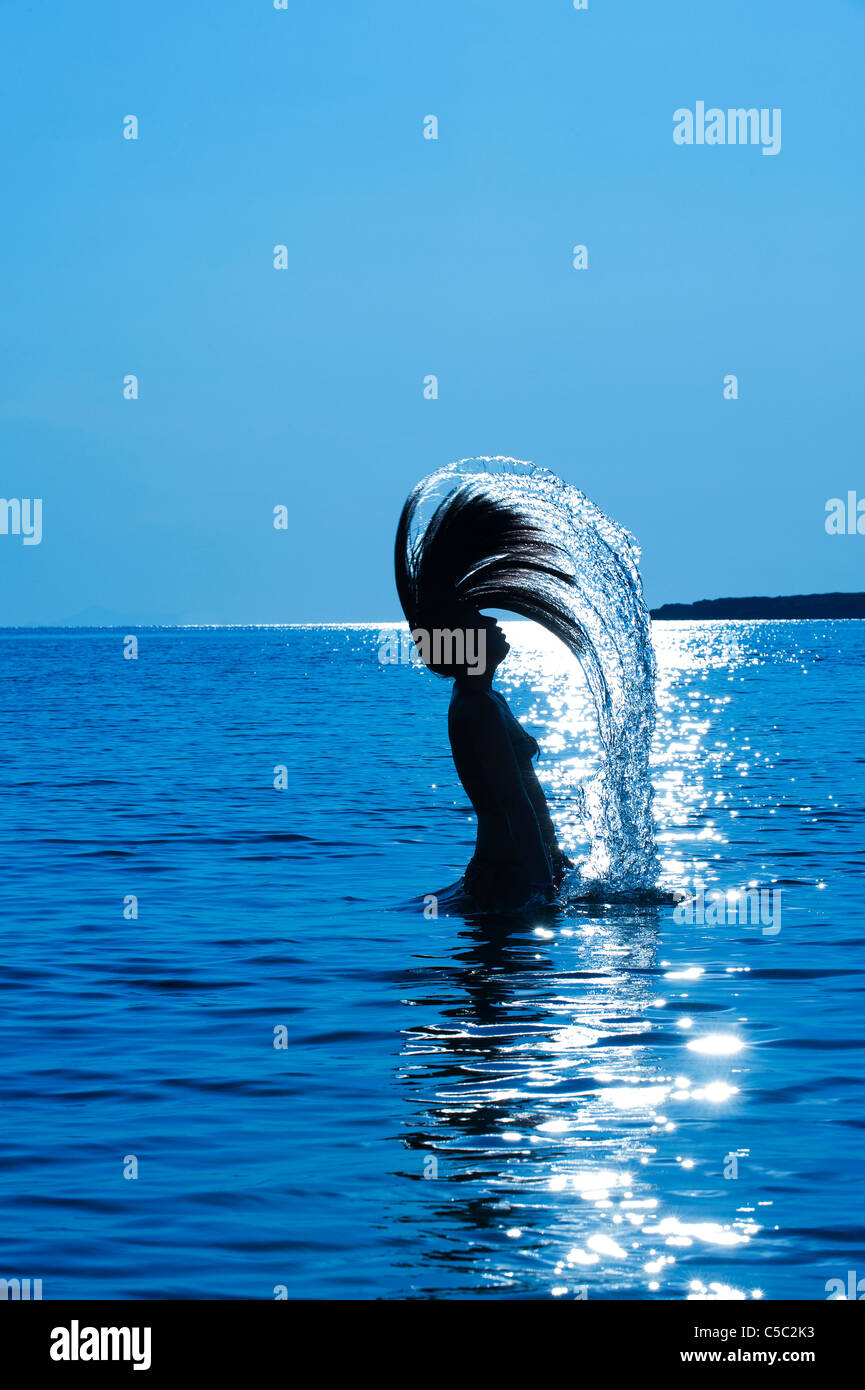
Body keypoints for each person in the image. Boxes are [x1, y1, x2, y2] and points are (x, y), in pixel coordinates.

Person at [395, 476, 577, 912]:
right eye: (479, 619)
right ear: (463, 641)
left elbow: (528, 803)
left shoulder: (486, 699)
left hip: (522, 872)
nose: (493, 623)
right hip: (509, 878)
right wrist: (541, 890)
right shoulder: (477, 708)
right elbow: (513, 806)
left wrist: (559, 865)